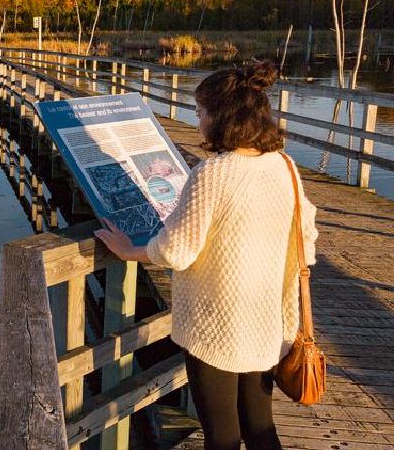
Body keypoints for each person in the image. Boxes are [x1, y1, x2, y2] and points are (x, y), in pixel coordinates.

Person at [95, 62, 318, 450]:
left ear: (222, 117)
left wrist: (131, 250)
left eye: (200, 112)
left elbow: (177, 250)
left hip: (216, 327)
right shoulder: (285, 164)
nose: (196, 121)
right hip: (266, 322)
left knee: (222, 436)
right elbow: (307, 237)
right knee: (260, 427)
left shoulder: (213, 173)